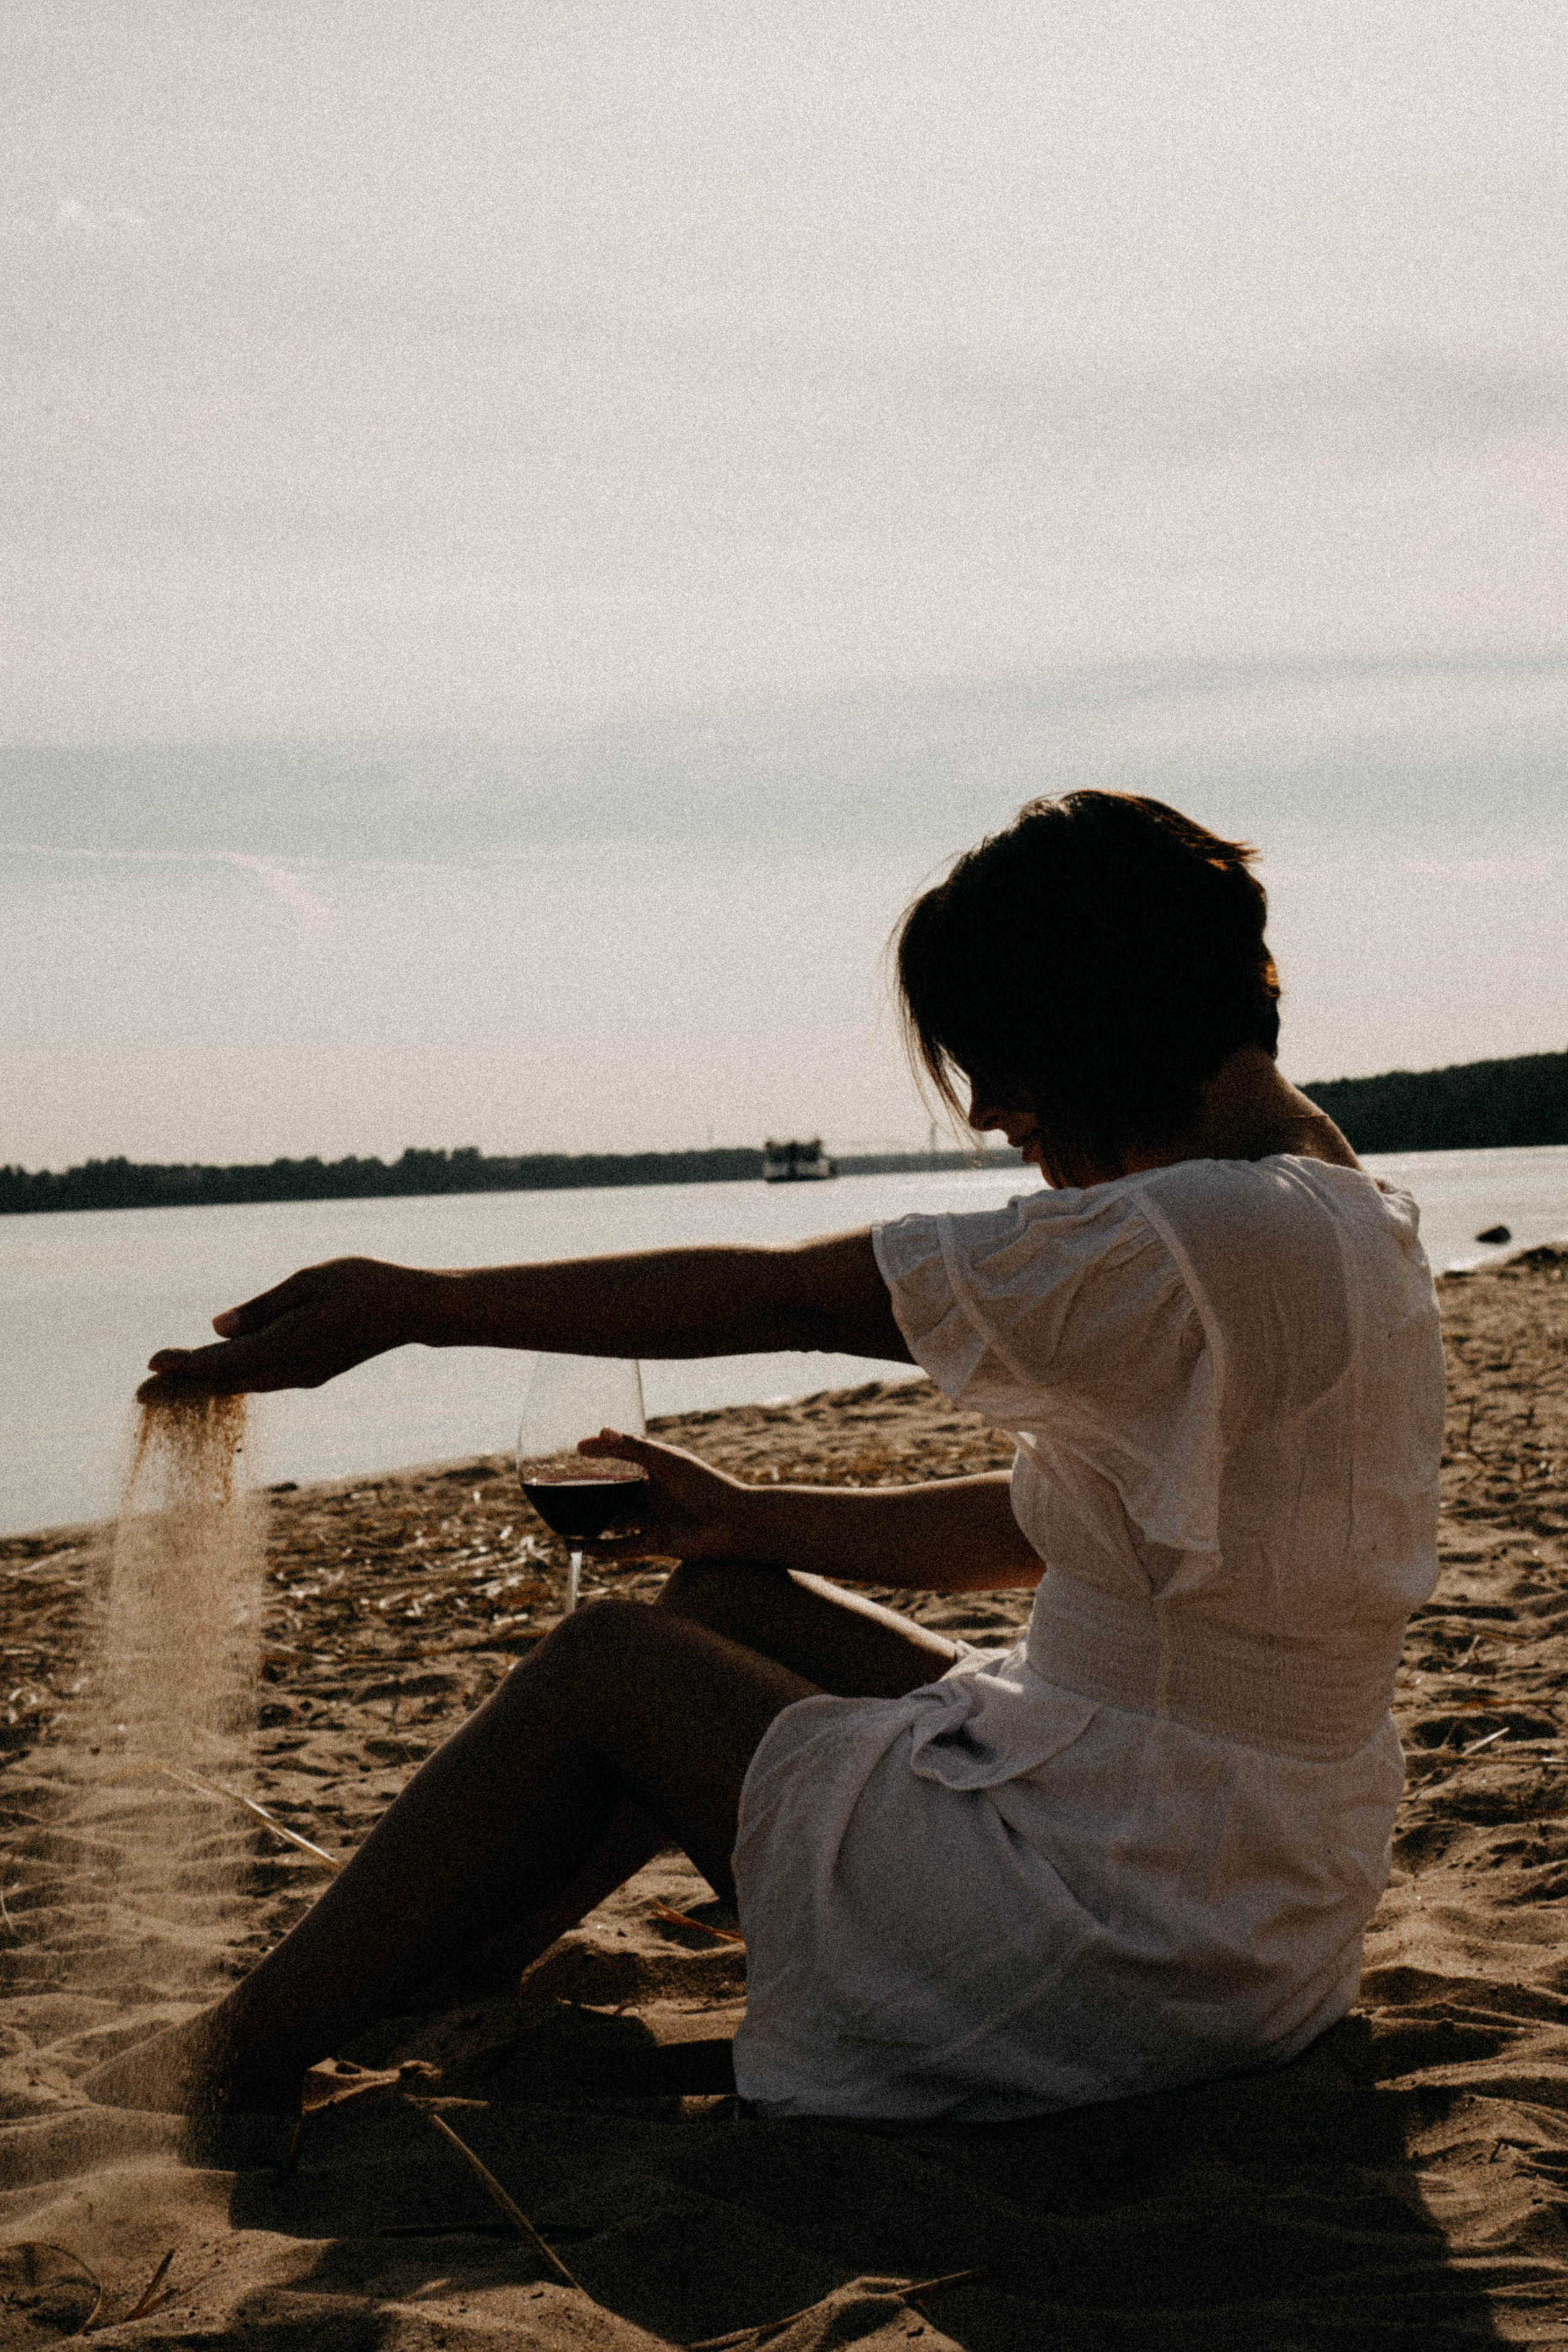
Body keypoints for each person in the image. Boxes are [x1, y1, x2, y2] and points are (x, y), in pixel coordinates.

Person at [87, 790, 1444, 2124]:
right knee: (722, 1606)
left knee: (603, 1665)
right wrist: (744, 1518)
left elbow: (784, 1295)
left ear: (1090, 1016)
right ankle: (439, 1970)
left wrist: (424, 1309)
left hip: (1121, 1926)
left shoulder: (1183, 1236)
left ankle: (236, 2059)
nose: (986, 1111)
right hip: (1243, 1904)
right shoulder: (1342, 1213)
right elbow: (1043, 1530)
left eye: (1003, 1060)